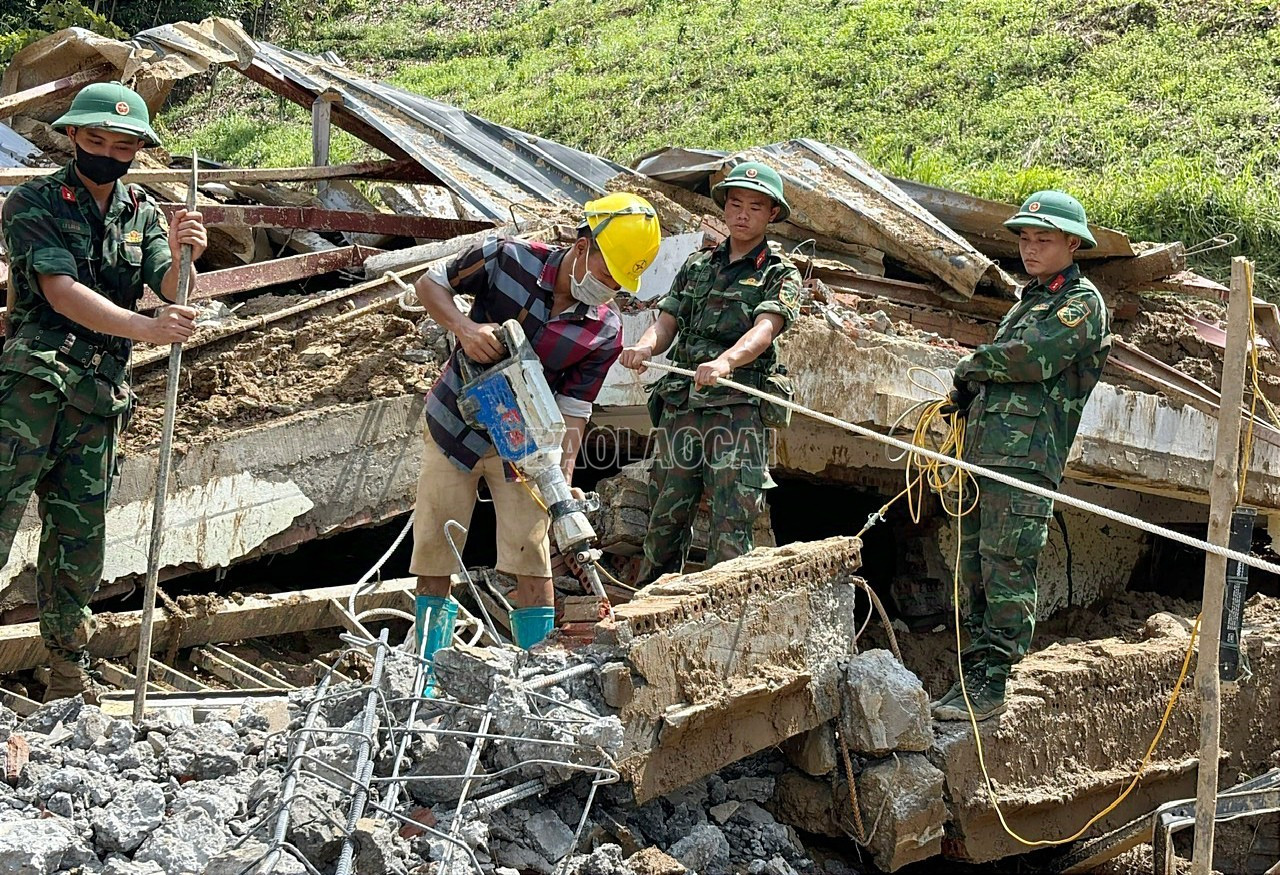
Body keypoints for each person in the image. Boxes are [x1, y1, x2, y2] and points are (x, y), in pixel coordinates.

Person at [0, 82, 205, 702]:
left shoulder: (141, 213)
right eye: (96, 140)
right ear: (71, 137)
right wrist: (145, 327)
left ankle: (67, 676)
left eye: (123, 145)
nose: (109, 153)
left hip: (99, 398)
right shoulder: (34, 200)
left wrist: (184, 253)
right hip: (34, 387)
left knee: (79, 545)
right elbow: (61, 291)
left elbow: (171, 289)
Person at [410, 192, 660, 686]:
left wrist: (560, 491)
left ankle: (536, 678)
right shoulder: (508, 258)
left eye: (618, 285)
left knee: (534, 559)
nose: (607, 289)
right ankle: (427, 674)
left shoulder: (604, 331)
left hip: (522, 446)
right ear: (583, 245)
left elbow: (572, 412)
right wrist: (463, 327)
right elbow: (429, 283)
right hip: (453, 427)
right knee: (439, 547)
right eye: (606, 274)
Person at [932, 190, 1112, 722]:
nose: (1030, 248)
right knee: (972, 568)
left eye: (1044, 239)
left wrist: (971, 367)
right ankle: (971, 679)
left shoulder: (1080, 302)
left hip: (1026, 458)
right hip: (983, 454)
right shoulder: (1027, 301)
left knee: (1008, 565)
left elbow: (1035, 357)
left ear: (1072, 243)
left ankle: (993, 682)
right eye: (1025, 239)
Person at [620, 161, 801, 583]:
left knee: (731, 524)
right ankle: (650, 605)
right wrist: (645, 347)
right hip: (683, 405)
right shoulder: (697, 265)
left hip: (736, 409)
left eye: (755, 207)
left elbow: (765, 328)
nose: (742, 214)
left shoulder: (778, 273)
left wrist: (726, 362)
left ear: (772, 213)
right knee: (665, 513)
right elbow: (668, 320)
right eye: (735, 204)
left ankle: (722, 609)